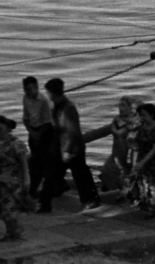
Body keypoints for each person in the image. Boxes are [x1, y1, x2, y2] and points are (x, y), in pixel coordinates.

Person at [47, 78, 102, 212]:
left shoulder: (68, 108)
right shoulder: (57, 106)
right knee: (55, 170)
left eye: (49, 93)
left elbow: (72, 131)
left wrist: (67, 150)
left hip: (73, 148)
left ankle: (91, 198)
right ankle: (59, 187)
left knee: (81, 174)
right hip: (61, 145)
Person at [0, 115, 32, 242]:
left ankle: (15, 230)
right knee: (1, 207)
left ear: (8, 129)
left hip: (12, 180)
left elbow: (23, 163)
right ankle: (10, 231)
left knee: (10, 207)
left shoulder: (17, 144)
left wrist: (26, 180)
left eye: (0, 128)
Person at [20, 76, 61, 210]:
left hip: (46, 132)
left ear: (36, 88)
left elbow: (48, 122)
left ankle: (37, 192)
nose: (28, 92)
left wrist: (38, 135)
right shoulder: (25, 99)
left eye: (30, 89)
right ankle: (36, 189)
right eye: (26, 90)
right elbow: (26, 118)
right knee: (36, 162)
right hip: (33, 130)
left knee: (42, 162)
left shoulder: (43, 100)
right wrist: (32, 133)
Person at [127, 103, 155, 218]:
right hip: (143, 156)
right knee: (144, 183)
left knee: (154, 184)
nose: (141, 118)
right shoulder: (142, 126)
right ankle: (146, 206)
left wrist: (142, 162)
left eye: (144, 115)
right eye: (140, 115)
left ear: (151, 115)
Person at [102, 96, 139, 195]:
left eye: (123, 105)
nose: (120, 108)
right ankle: (114, 192)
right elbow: (115, 131)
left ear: (131, 108)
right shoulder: (117, 119)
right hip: (116, 151)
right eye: (119, 105)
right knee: (107, 170)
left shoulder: (135, 122)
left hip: (127, 152)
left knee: (125, 175)